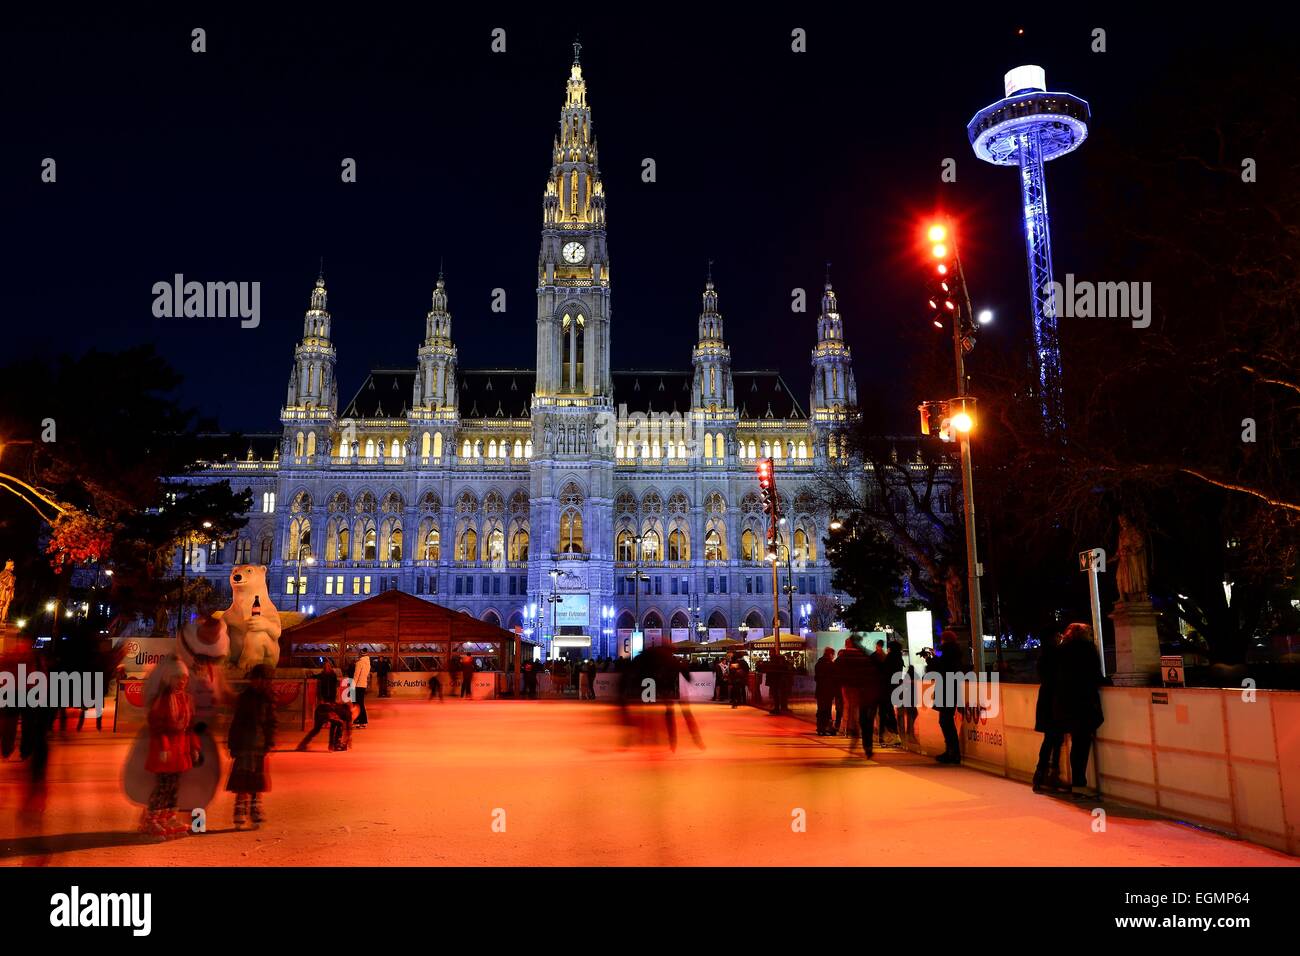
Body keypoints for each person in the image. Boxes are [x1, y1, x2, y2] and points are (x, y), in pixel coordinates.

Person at [140, 658, 199, 839]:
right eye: (177, 677)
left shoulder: (186, 699)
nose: (181, 681)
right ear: (168, 679)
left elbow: (190, 727)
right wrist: (164, 746)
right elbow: (157, 726)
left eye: (184, 678)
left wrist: (194, 747)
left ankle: (168, 817)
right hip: (164, 750)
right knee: (163, 786)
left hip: (180, 750)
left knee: (174, 786)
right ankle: (152, 820)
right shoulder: (163, 700)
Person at [1054, 623, 1106, 798]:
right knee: (1082, 744)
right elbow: (1094, 674)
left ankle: (1076, 783)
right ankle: (1079, 784)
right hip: (1084, 702)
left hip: (1066, 702)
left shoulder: (1061, 651)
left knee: (1076, 744)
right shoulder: (1088, 650)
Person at [227, 663, 277, 828]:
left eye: (263, 680)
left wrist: (270, 741)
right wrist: (232, 743)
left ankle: (255, 807)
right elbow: (236, 722)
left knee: (256, 779)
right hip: (243, 744)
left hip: (259, 745)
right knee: (242, 778)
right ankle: (240, 807)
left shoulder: (267, 699)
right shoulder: (244, 698)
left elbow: (271, 723)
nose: (260, 682)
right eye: (256, 679)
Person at [1032, 633, 1066, 793]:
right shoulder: (1057, 656)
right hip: (1055, 701)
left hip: (1047, 701)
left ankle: (1042, 774)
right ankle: (1049, 774)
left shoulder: (1043, 656)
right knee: (1055, 738)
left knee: (1051, 738)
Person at [835, 638, 880, 758]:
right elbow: (874, 673)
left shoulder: (843, 657)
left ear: (847, 644)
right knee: (866, 720)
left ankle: (853, 731)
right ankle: (868, 746)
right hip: (866, 691)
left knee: (852, 712)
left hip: (851, 689)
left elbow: (836, 672)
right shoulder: (865, 656)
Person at [932, 630, 965, 764]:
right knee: (946, 721)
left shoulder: (947, 653)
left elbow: (941, 669)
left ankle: (953, 752)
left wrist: (931, 660)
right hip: (951, 689)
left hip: (946, 690)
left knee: (946, 721)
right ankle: (951, 751)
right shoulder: (954, 653)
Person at [813, 647, 839, 735]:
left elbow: (816, 678)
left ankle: (820, 727)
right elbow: (834, 678)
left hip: (820, 690)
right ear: (830, 654)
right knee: (827, 709)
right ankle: (825, 727)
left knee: (820, 709)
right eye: (833, 655)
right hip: (828, 691)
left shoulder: (818, 663)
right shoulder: (831, 665)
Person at [352, 654, 371, 726]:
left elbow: (356, 675)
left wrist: (352, 685)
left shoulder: (359, 663)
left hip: (358, 685)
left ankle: (359, 719)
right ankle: (363, 720)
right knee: (361, 703)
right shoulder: (368, 663)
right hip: (363, 685)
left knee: (357, 703)